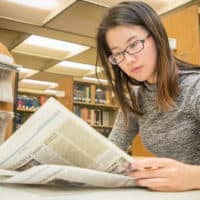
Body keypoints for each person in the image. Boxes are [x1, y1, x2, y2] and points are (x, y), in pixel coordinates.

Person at [96, 1, 200, 192]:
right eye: (118, 54)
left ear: (157, 37)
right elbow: (111, 150)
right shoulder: (135, 98)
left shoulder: (195, 88)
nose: (128, 60)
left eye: (134, 44)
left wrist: (193, 177)